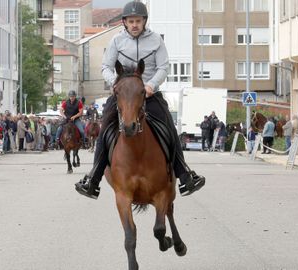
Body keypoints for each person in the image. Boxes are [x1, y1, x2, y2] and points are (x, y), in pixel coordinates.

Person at [75, 1, 205, 199]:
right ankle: (94, 179)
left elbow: (163, 66)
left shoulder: (156, 40)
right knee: (104, 132)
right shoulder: (116, 41)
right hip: (123, 94)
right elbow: (106, 67)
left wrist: (151, 85)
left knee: (169, 126)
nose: (134, 24)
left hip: (149, 92)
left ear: (144, 21)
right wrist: (116, 84)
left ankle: (184, 175)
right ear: (124, 22)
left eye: (138, 21)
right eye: (131, 21)